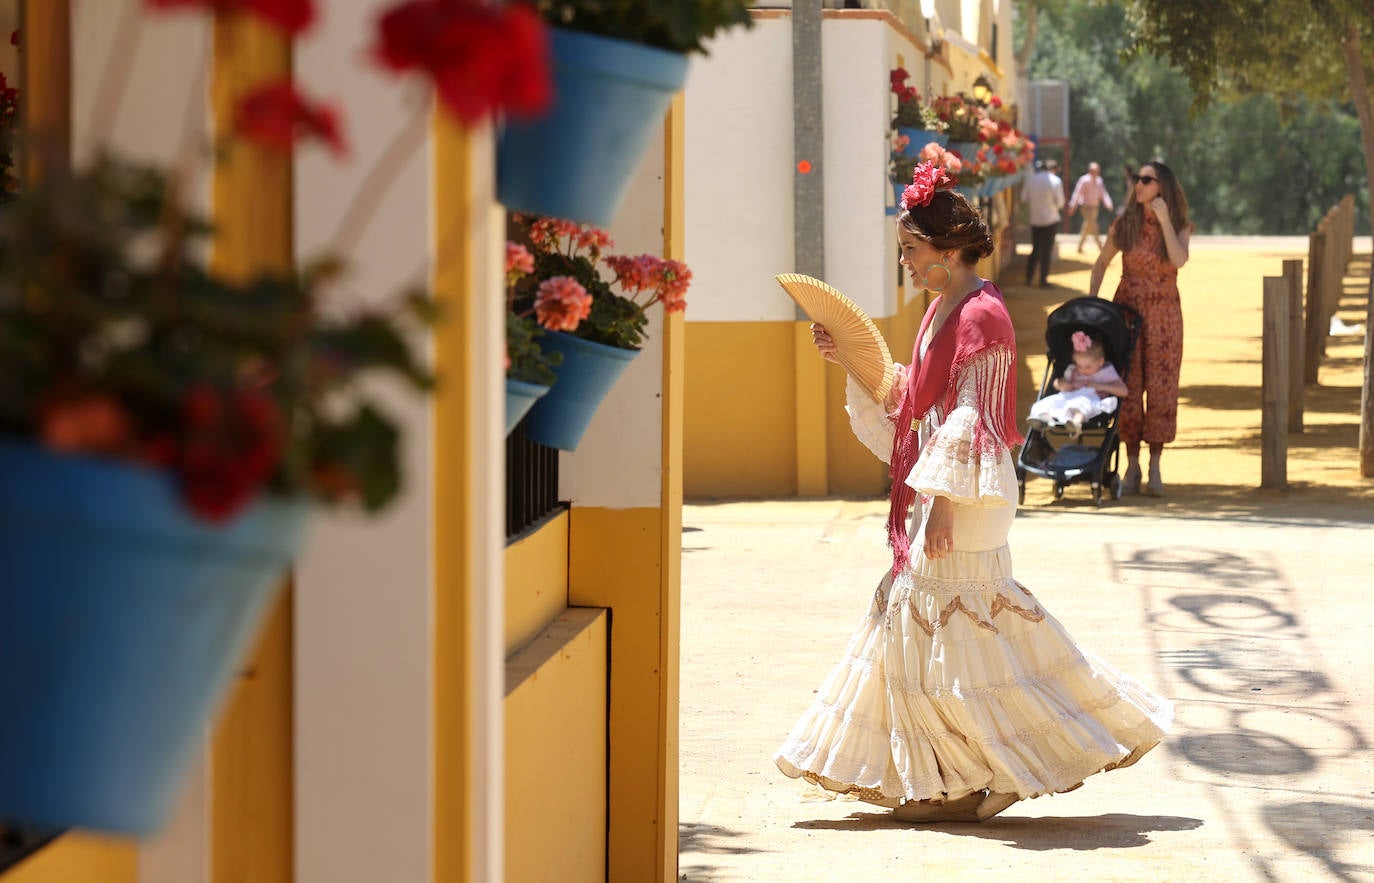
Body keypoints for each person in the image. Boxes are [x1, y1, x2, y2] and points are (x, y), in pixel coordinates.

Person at [777, 162, 1173, 824]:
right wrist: (847, 358)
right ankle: (954, 778)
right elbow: (914, 402)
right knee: (942, 632)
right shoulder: (943, 308)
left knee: (945, 630)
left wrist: (943, 502)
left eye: (910, 248)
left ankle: (995, 768)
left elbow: (968, 417)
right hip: (954, 485)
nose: (904, 261)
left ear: (948, 248)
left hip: (969, 491)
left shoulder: (981, 314)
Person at [1088, 160, 1194, 497]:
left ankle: (1155, 465)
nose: (1139, 185)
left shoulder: (1178, 224)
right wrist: (1092, 304)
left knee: (1162, 387)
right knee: (1129, 388)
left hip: (1165, 314)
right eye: (1137, 179)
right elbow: (1102, 262)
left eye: (1147, 180)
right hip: (1128, 314)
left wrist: (1163, 221)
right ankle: (1131, 465)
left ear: (1162, 187)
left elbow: (1178, 260)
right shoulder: (1125, 224)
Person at [1027, 329, 1128, 440]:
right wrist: (1062, 385)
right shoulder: (1074, 371)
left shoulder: (1105, 373)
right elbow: (1057, 382)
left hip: (1090, 400)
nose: (1083, 370)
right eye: (1079, 366)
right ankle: (1045, 419)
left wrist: (1100, 386)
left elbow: (1124, 391)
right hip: (1068, 397)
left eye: (1088, 367)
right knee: (1046, 403)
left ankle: (1075, 423)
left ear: (1100, 362)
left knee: (1081, 404)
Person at [1022, 158, 1064, 288]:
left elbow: (1024, 198)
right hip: (1050, 220)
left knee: (1035, 249)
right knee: (1046, 251)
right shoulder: (1055, 181)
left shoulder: (1031, 179)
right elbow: (1061, 203)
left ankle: (1029, 279)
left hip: (1035, 219)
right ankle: (1043, 281)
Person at [1067, 162, 1114, 252]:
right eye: (1093, 171)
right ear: (1089, 171)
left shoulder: (1099, 181)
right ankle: (1101, 247)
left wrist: (1108, 203)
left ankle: (1080, 246)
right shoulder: (1084, 180)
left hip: (1095, 207)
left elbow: (1103, 194)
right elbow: (1077, 193)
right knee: (1092, 224)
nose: (1095, 173)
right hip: (1085, 207)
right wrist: (1073, 206)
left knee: (1088, 225)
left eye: (1096, 171)